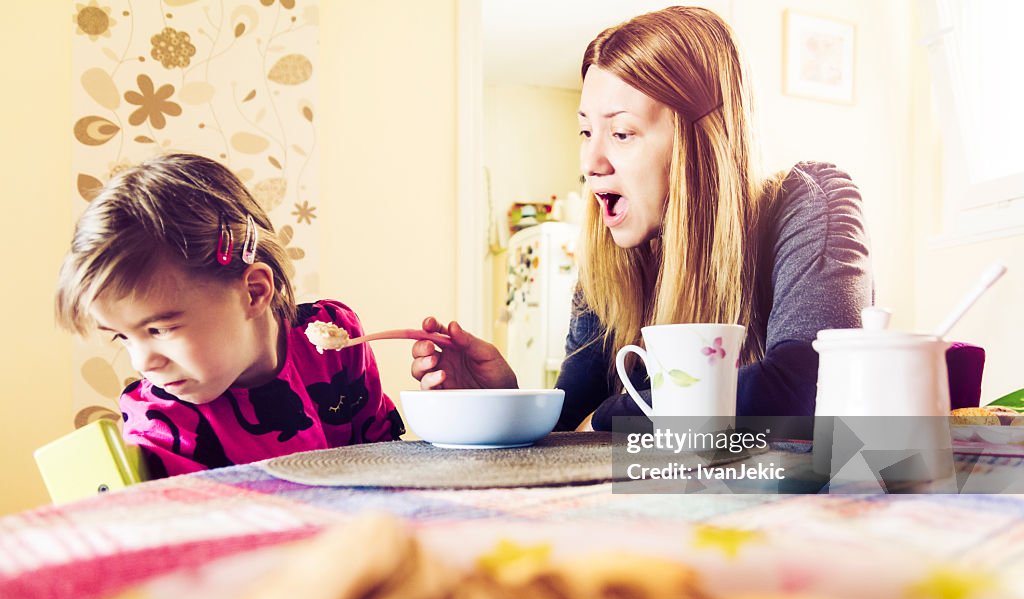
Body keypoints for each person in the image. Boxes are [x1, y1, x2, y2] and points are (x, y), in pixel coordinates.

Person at [411, 6, 871, 432]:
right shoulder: (614, 254)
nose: (590, 161)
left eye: (622, 132)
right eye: (586, 130)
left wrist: (611, 414)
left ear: (701, 141)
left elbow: (804, 389)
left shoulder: (811, 203)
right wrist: (504, 405)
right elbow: (570, 414)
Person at [55, 153, 404, 477]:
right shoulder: (161, 422)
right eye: (123, 337)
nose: (143, 363)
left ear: (253, 292)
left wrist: (452, 400)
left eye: (161, 329)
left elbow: (390, 459)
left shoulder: (332, 341)